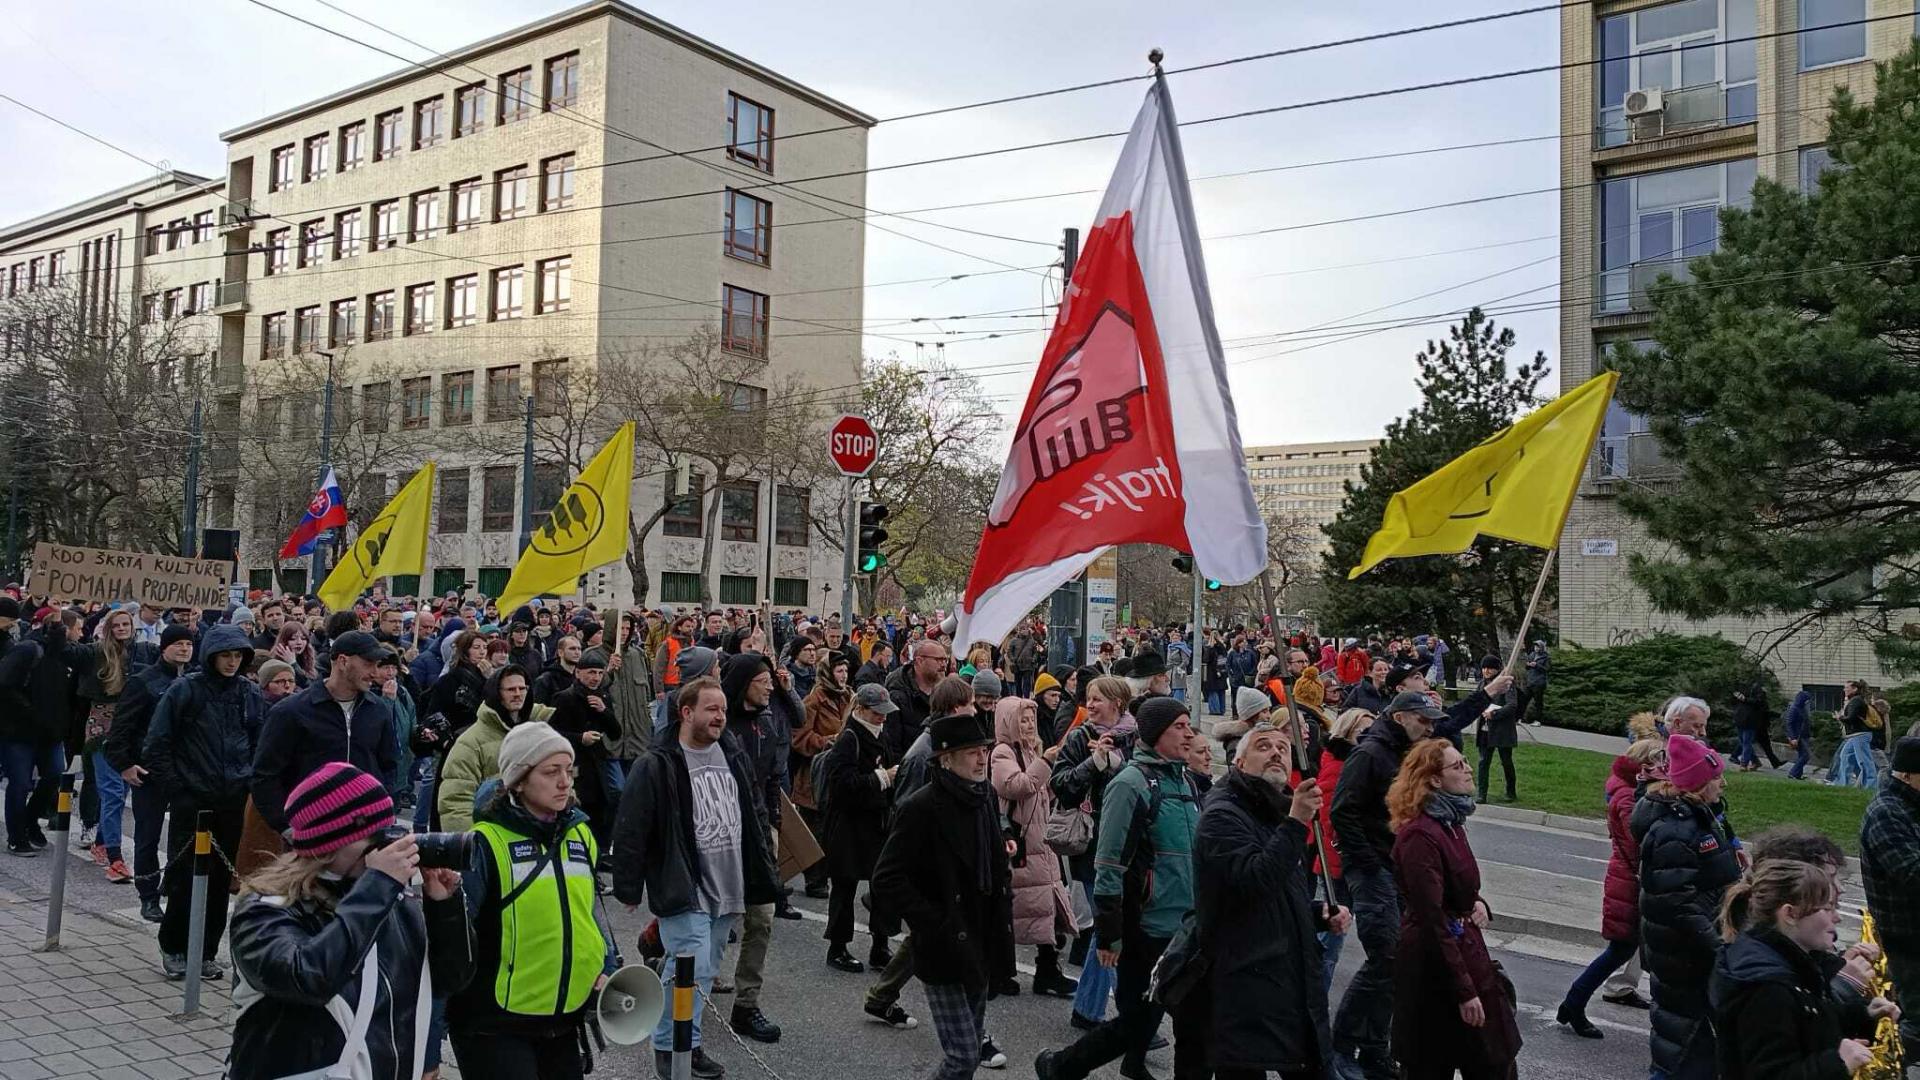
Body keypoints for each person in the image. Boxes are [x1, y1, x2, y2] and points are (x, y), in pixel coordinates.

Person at [226, 763, 475, 1080]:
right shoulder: (265, 910)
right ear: (328, 845)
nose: (385, 846)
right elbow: (309, 978)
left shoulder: (391, 902)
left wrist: (445, 907)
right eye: (374, 837)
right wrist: (378, 885)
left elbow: (451, 980)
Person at [611, 676, 779, 1080]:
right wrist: (629, 885)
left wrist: (764, 861)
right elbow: (632, 826)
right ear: (686, 713)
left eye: (722, 709)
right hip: (684, 883)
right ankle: (671, 1046)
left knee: (703, 970)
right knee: (696, 968)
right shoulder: (658, 763)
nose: (720, 717)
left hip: (729, 883)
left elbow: (753, 808)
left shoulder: (731, 752)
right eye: (711, 709)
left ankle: (691, 1039)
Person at [1035, 697, 1203, 1080]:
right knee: (1138, 1017)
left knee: (1188, 1019)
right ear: (1157, 732)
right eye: (1179, 725)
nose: (1189, 732)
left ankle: (1124, 1064)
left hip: (1185, 925)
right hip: (1145, 926)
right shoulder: (1131, 783)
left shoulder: (1187, 782)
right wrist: (1110, 932)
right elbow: (1109, 863)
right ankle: (1061, 1067)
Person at [449, 722, 620, 1080]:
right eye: (550, 771)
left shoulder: (580, 833)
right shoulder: (484, 843)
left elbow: (585, 913)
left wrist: (603, 963)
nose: (564, 782)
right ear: (519, 780)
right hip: (496, 1025)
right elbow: (451, 941)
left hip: (562, 1018)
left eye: (568, 771)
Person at [1186, 721, 1349, 1080]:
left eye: (1283, 747)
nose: (1276, 751)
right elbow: (1254, 881)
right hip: (1245, 984)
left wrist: (1318, 913)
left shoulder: (1274, 809)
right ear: (1239, 764)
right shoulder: (1223, 816)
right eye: (1263, 746)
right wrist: (1296, 823)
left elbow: (1277, 894)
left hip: (1284, 978)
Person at [872, 710, 1014, 1080]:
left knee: (968, 1056)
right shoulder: (920, 807)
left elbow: (994, 865)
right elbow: (887, 878)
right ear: (945, 759)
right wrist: (933, 922)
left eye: (984, 749)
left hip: (983, 938)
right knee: (964, 1056)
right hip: (945, 944)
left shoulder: (983, 795)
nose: (982, 758)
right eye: (971, 752)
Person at [1384, 740, 1520, 1080]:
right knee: (1433, 1065)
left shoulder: (1450, 822)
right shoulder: (1420, 835)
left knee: (1496, 1060)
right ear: (1433, 780)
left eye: (1465, 762)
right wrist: (1465, 991)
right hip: (1434, 971)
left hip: (1463, 953)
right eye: (1457, 766)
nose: (1468, 769)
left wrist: (1477, 903)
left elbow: (1458, 886)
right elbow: (1431, 917)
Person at [1327, 690, 1445, 1080]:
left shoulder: (1403, 751)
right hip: (1374, 868)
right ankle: (1341, 1044)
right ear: (1400, 718)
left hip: (1395, 866)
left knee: (1400, 962)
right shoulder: (1371, 754)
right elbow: (1343, 811)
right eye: (1423, 720)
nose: (1429, 727)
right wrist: (1371, 862)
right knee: (1388, 956)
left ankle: (1375, 1048)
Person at [143, 622, 268, 979]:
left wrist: (250, 782)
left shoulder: (249, 693)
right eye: (225, 656)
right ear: (211, 656)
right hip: (193, 799)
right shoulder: (185, 690)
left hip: (232, 798)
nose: (231, 662)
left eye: (237, 656)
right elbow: (158, 744)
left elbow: (259, 740)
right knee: (185, 878)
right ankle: (175, 946)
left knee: (219, 881)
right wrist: (178, 790)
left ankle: (206, 950)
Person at [1710, 858, 1892, 1080]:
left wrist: (1862, 1014)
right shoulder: (1767, 989)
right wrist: (1838, 1063)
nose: (1838, 917)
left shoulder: (1790, 961)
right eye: (1828, 908)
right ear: (1790, 914)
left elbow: (1809, 1019)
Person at [1633, 733, 1739, 1080]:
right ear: (1697, 784)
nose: (1722, 783)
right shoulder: (1674, 830)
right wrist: (1717, 944)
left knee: (1688, 1046)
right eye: (1716, 777)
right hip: (1683, 955)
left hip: (1693, 952)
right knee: (1682, 1047)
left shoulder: (1700, 818)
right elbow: (1676, 901)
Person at [1557, 736, 1665, 1038]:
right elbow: (1640, 840)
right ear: (1645, 765)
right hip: (1629, 881)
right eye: (1660, 761)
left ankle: (1573, 1003)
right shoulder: (1629, 795)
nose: (1665, 767)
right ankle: (1574, 1003)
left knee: (1622, 950)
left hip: (1628, 878)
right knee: (1623, 949)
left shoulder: (1628, 789)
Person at [1049, 675, 1136, 1027]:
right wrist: (1093, 765)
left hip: (1128, 841)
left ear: (1118, 703)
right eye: (1089, 698)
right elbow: (1060, 786)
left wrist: (1119, 765)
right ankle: (1133, 1018)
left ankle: (1087, 1009)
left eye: (1098, 699)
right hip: (1091, 844)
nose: (1092, 705)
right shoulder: (1079, 737)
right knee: (1109, 922)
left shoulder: (1135, 737)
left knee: (1106, 926)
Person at [104, 623, 195, 920]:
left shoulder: (194, 681)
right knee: (147, 836)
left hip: (183, 771)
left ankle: (172, 885)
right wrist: (124, 765)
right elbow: (121, 729)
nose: (184, 649)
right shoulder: (143, 682)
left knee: (181, 835)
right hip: (149, 771)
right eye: (178, 644)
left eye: (188, 644)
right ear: (165, 647)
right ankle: (147, 894)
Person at [989, 696, 1076, 998]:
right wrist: (1046, 763)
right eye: (1022, 720)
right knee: (1013, 908)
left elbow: (1041, 791)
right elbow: (1016, 786)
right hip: (1018, 843)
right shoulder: (1002, 752)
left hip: (1040, 840)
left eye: (1031, 720)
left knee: (1043, 905)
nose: (1028, 725)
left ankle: (1048, 970)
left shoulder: (1031, 749)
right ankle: (1000, 971)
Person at [818, 682, 901, 972]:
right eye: (877, 712)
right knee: (844, 886)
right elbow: (841, 785)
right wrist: (881, 778)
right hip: (848, 825)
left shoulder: (881, 735)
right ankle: (837, 947)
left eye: (884, 712)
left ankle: (880, 945)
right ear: (861, 709)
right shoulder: (849, 738)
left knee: (883, 884)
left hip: (876, 822)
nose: (882, 717)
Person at [1858, 735, 1920, 1067]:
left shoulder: (1911, 806)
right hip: (1907, 936)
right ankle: (1879, 1067)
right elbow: (1912, 874)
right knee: (1916, 1021)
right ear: (1906, 775)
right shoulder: (1887, 813)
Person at [438, 665, 553, 832]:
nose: (518, 694)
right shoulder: (471, 742)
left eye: (522, 688)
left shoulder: (538, 731)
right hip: (492, 837)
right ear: (497, 693)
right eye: (511, 689)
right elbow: (455, 800)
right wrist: (468, 846)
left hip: (533, 837)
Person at [0, 609, 77, 857]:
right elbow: (5, 685)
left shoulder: (68, 656)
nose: (81, 633)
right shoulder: (29, 650)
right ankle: (16, 837)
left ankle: (30, 821)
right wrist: (32, 713)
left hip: (51, 734)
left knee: (54, 776)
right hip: (19, 733)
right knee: (20, 784)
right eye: (77, 628)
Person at [792, 653, 851, 900]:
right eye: (839, 671)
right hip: (814, 778)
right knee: (814, 832)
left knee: (834, 833)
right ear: (827, 673)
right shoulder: (813, 700)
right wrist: (828, 742)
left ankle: (829, 875)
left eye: (846, 671)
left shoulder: (850, 697)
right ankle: (814, 880)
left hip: (838, 776)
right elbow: (799, 739)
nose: (844, 675)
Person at [1471, 656, 1523, 803]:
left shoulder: (1506, 683)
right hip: (1485, 729)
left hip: (1502, 730)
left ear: (1496, 669)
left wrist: (1494, 713)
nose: (1486, 671)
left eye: (1489, 668)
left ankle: (1510, 791)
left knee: (1506, 761)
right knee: (1483, 762)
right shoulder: (1482, 684)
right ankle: (1482, 793)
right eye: (1484, 668)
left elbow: (1512, 705)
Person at [884, 637, 947, 760]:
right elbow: (892, 745)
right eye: (938, 660)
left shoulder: (945, 692)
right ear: (919, 661)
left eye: (945, 659)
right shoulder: (897, 696)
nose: (944, 664)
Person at [1831, 680, 1878, 789]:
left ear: (1855, 689)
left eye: (1847, 687)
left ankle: (1871, 786)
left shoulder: (1856, 701)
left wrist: (1840, 718)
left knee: (1864, 761)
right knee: (1845, 756)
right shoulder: (1855, 700)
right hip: (1854, 735)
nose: (1844, 689)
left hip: (1860, 735)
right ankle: (1842, 783)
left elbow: (1851, 718)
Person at [1782, 687, 1815, 780]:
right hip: (1798, 736)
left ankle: (1797, 775)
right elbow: (1789, 723)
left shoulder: (1802, 708)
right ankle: (1793, 773)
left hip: (1804, 735)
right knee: (1806, 756)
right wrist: (1793, 737)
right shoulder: (1794, 709)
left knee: (1802, 755)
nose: (1808, 702)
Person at [1520, 640, 1549, 726]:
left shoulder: (1546, 657)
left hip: (1539, 682)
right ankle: (1520, 717)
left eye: (1538, 647)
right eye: (1535, 646)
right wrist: (1528, 665)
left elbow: (1546, 669)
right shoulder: (1532, 655)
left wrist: (1536, 665)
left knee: (1538, 702)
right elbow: (1526, 667)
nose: (1536, 648)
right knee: (1524, 699)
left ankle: (1538, 720)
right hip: (1530, 681)